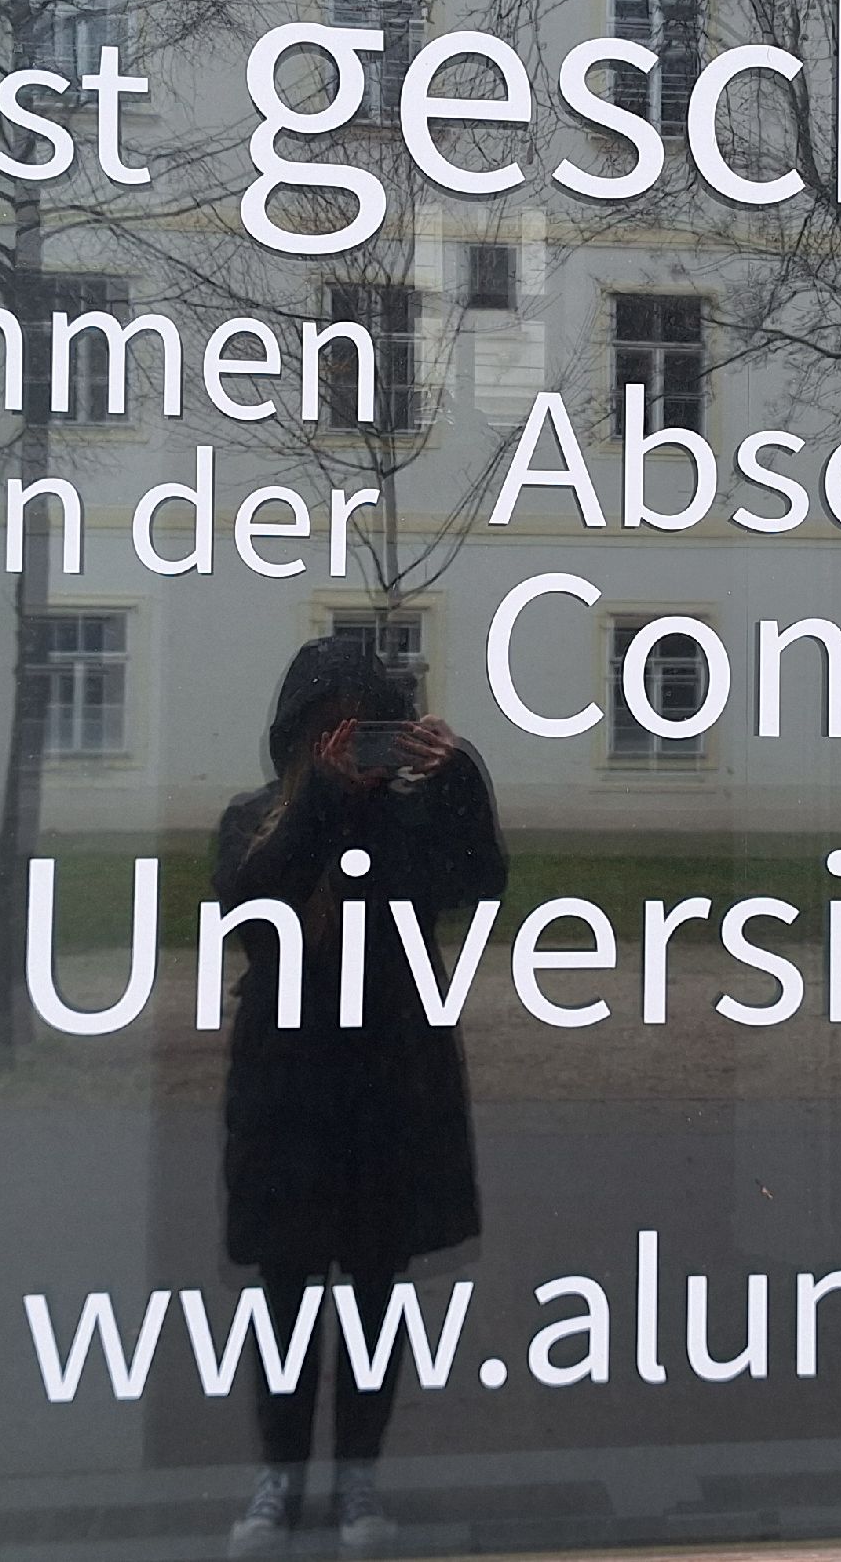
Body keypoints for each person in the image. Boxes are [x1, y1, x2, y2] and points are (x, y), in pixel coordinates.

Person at [214, 635, 507, 1559]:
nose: (350, 743)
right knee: (287, 1295)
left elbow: (480, 880)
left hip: (389, 1082)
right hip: (290, 1091)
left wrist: (459, 777)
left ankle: (356, 1475)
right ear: (300, 735)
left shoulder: (409, 821)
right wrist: (327, 802)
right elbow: (250, 910)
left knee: (378, 1293)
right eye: (331, 728)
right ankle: (281, 1474)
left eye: (368, 726)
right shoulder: (257, 818)